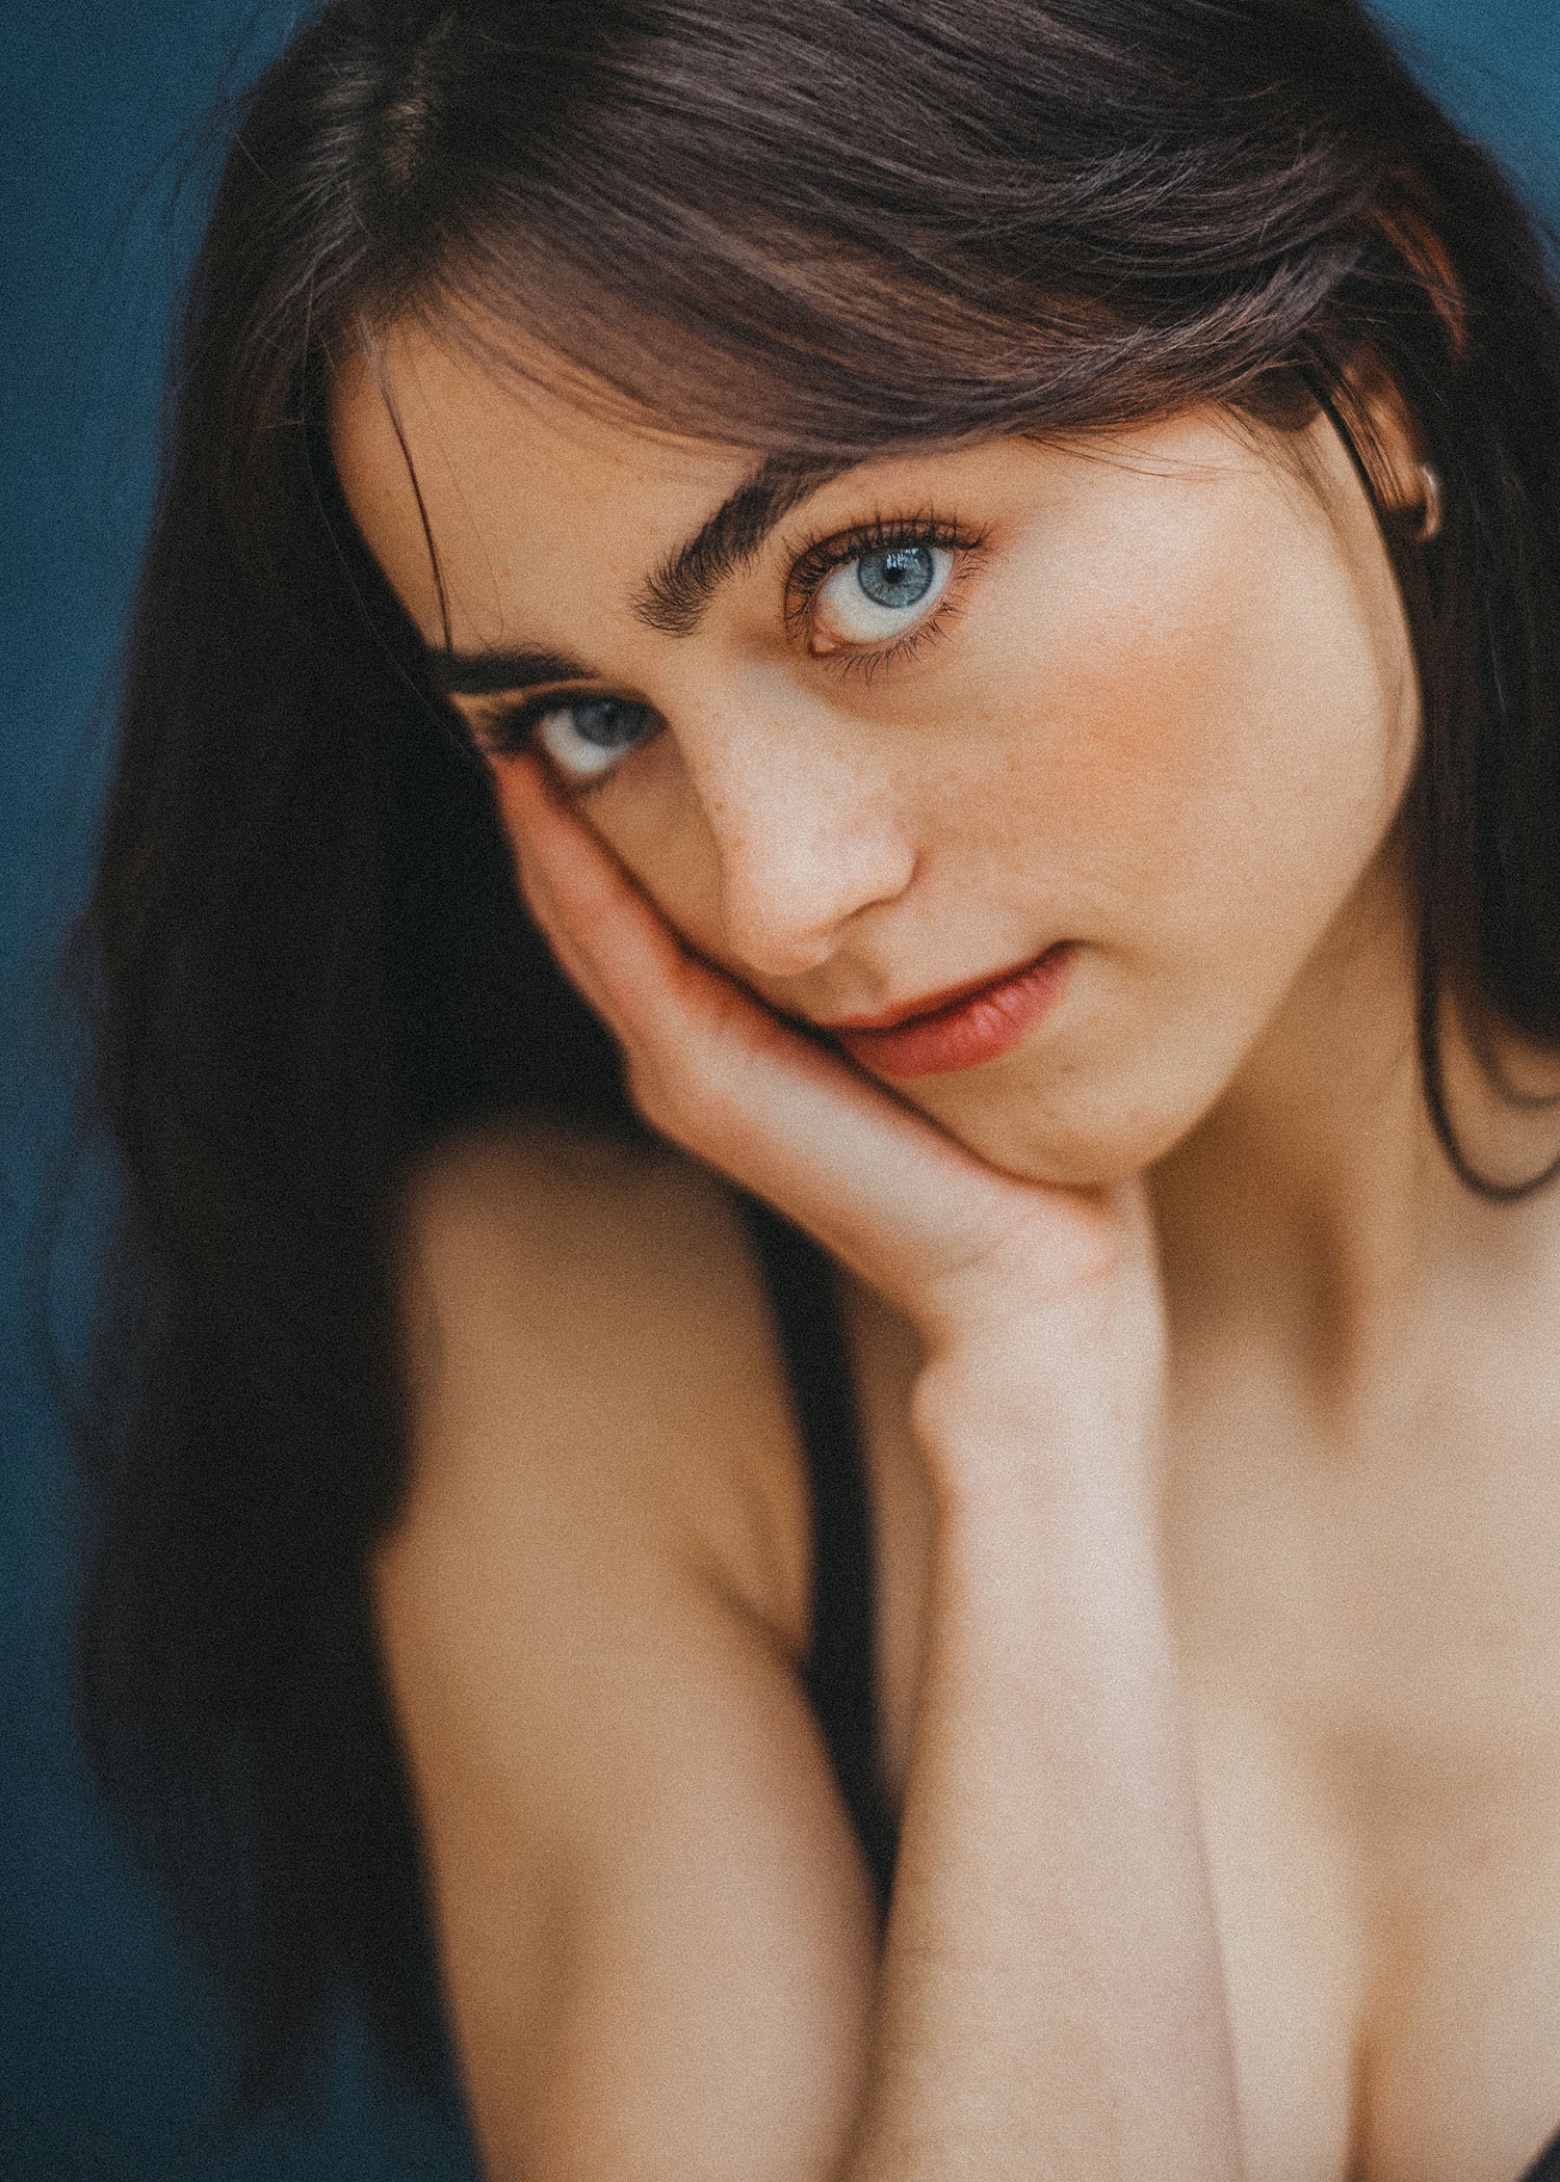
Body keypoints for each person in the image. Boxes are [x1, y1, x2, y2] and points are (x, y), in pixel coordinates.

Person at [74, 0, 1560, 2173]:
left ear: (1371, 356)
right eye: (586, 717)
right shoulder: (602, 1345)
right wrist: (1034, 1403)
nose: (777, 899)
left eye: (882, 572)